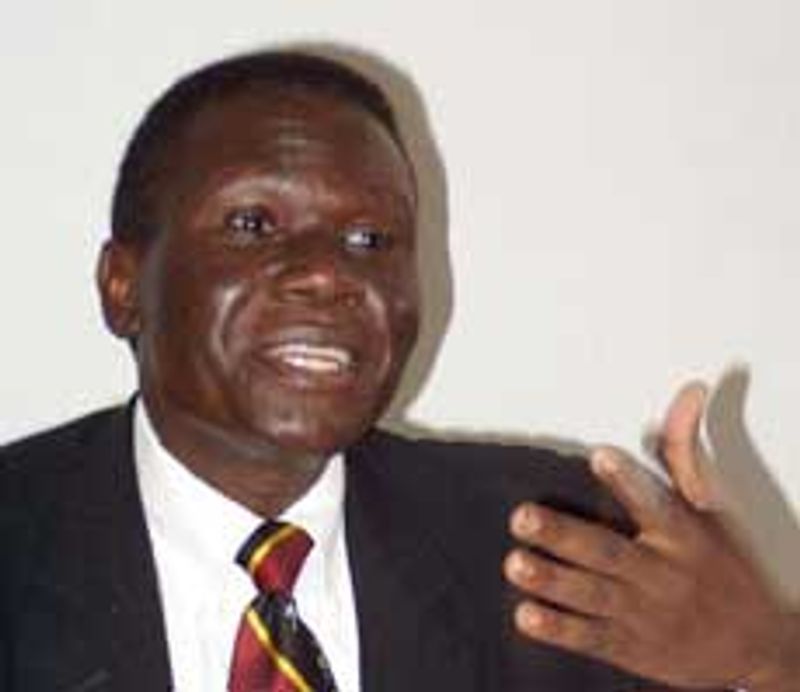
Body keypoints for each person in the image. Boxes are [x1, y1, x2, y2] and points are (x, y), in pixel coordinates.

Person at [0, 50, 797, 692]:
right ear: (123, 287)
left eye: (370, 241)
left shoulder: (559, 550)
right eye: (252, 224)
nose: (328, 274)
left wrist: (765, 660)